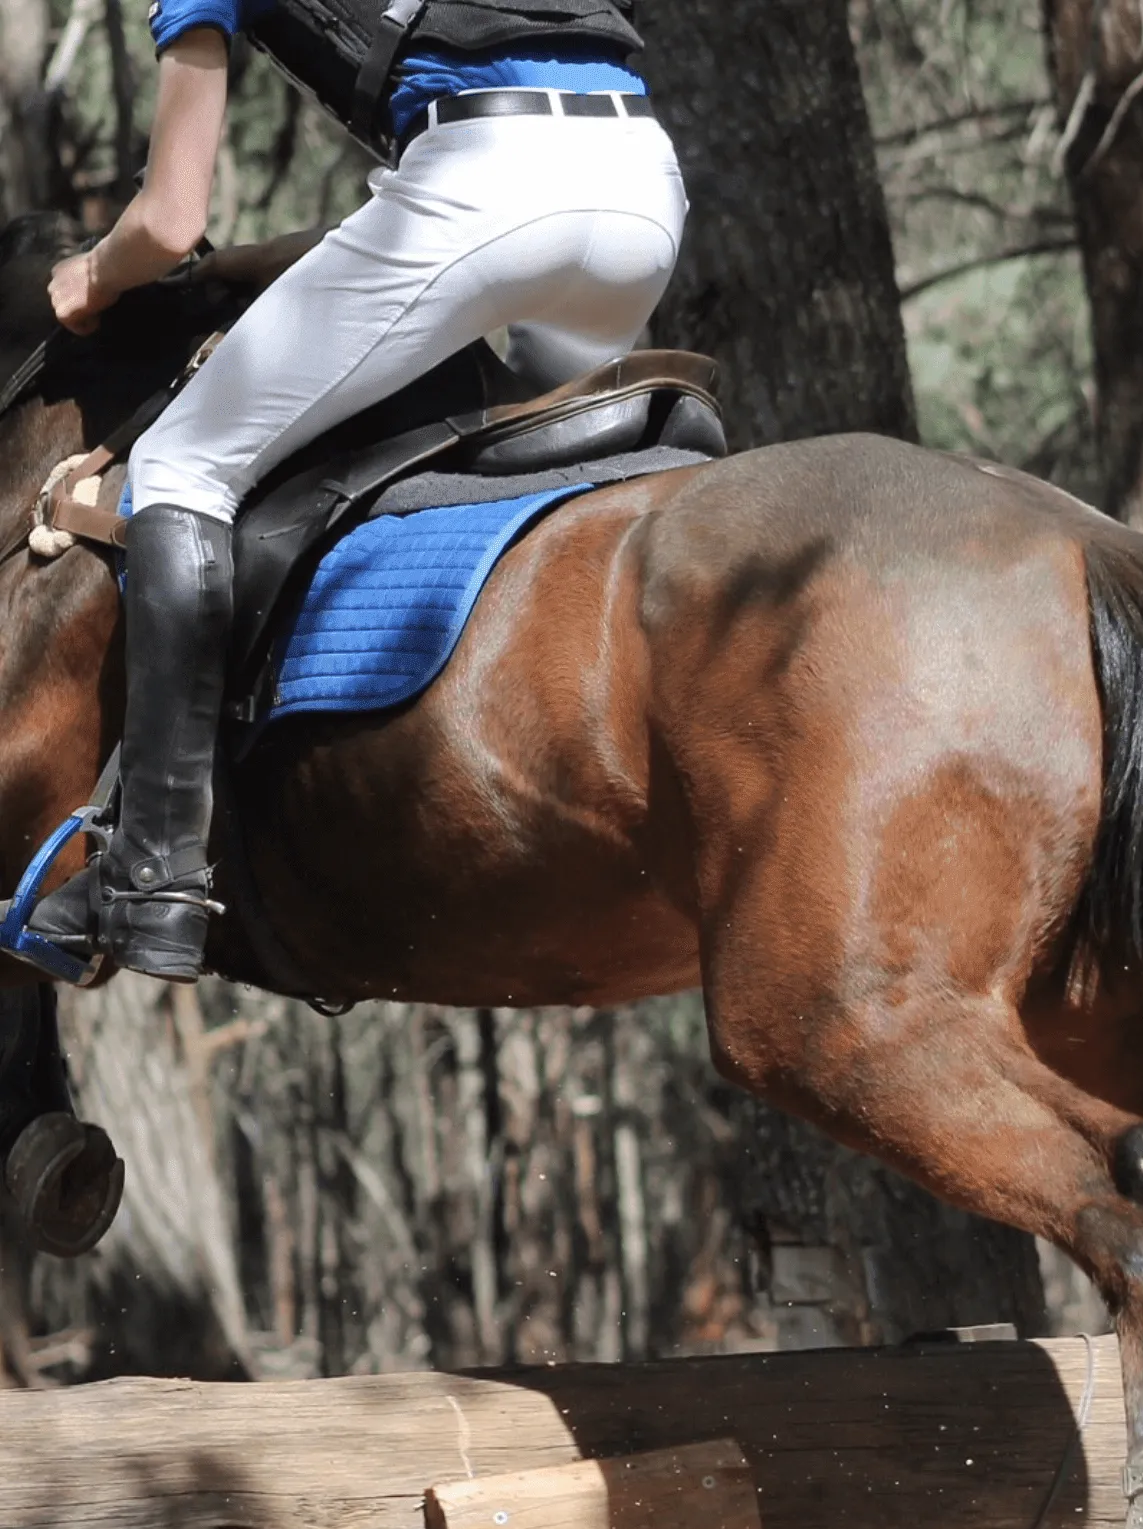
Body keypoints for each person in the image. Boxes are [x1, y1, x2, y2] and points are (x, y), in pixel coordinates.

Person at [31, 0, 685, 984]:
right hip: (641, 190)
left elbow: (168, 220)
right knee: (433, 452)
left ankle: (154, 869)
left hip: (485, 188)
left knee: (185, 465)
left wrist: (93, 273)